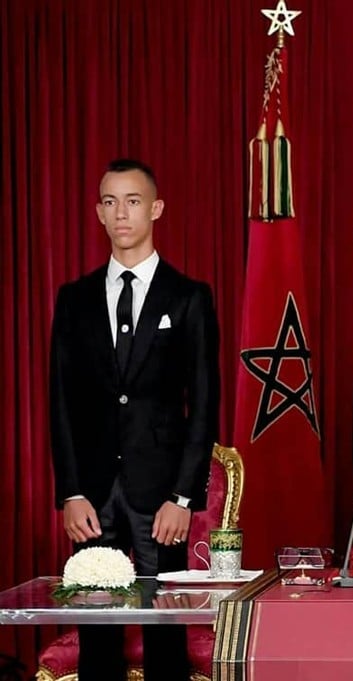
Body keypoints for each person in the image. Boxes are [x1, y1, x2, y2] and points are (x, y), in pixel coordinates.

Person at [49, 158, 220, 680]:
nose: (121, 213)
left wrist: (184, 496)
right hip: (94, 494)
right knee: (96, 632)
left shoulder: (189, 296)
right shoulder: (73, 299)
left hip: (161, 493)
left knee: (163, 631)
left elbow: (205, 404)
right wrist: (70, 492)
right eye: (109, 202)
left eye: (132, 201)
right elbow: (60, 400)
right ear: (99, 213)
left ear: (156, 209)